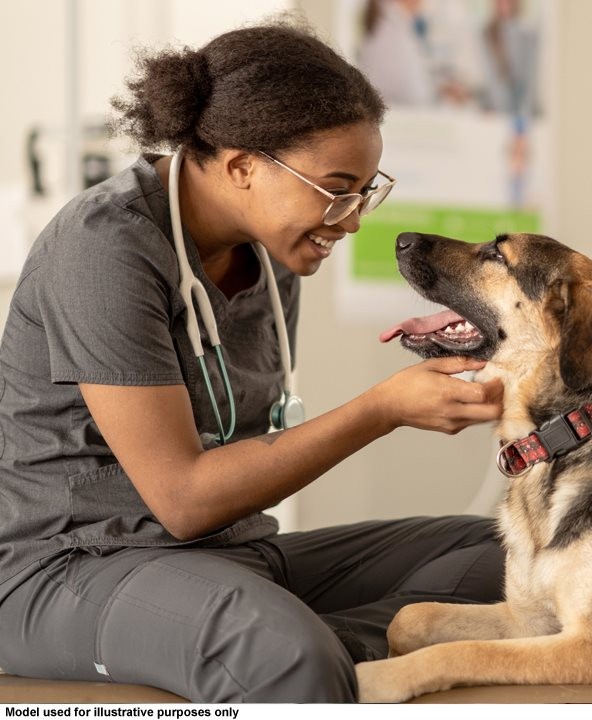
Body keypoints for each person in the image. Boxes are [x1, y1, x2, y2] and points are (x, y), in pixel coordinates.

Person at [0, 19, 506, 702]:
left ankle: (314, 650)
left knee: (510, 559)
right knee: (282, 652)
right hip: (67, 570)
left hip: (228, 558)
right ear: (242, 166)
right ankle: (294, 652)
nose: (353, 217)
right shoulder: (105, 249)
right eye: (337, 187)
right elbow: (182, 500)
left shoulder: (272, 260)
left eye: (364, 188)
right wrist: (382, 410)